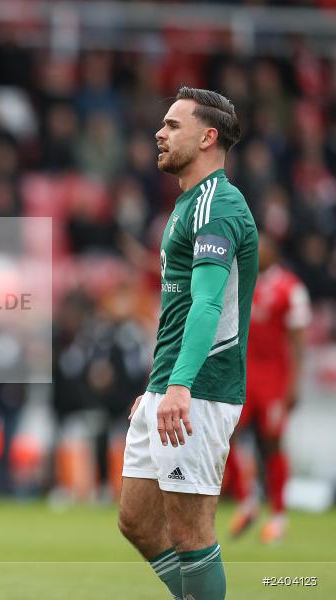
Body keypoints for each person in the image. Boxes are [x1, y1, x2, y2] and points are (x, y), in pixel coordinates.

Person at [117, 87, 258, 600]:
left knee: (189, 533)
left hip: (201, 390)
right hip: (171, 386)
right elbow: (177, 312)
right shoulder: (187, 204)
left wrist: (178, 386)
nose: (160, 132)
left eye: (172, 125)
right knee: (135, 521)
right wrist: (157, 385)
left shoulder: (218, 206)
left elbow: (206, 306)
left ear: (207, 137)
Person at [227, 233, 310, 543]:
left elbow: (299, 341)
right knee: (227, 434)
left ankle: (278, 514)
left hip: (275, 380)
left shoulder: (290, 288)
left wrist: (295, 383)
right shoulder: (242, 281)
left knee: (272, 443)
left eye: (260, 249)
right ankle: (247, 502)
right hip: (244, 376)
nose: (254, 253)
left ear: (273, 252)